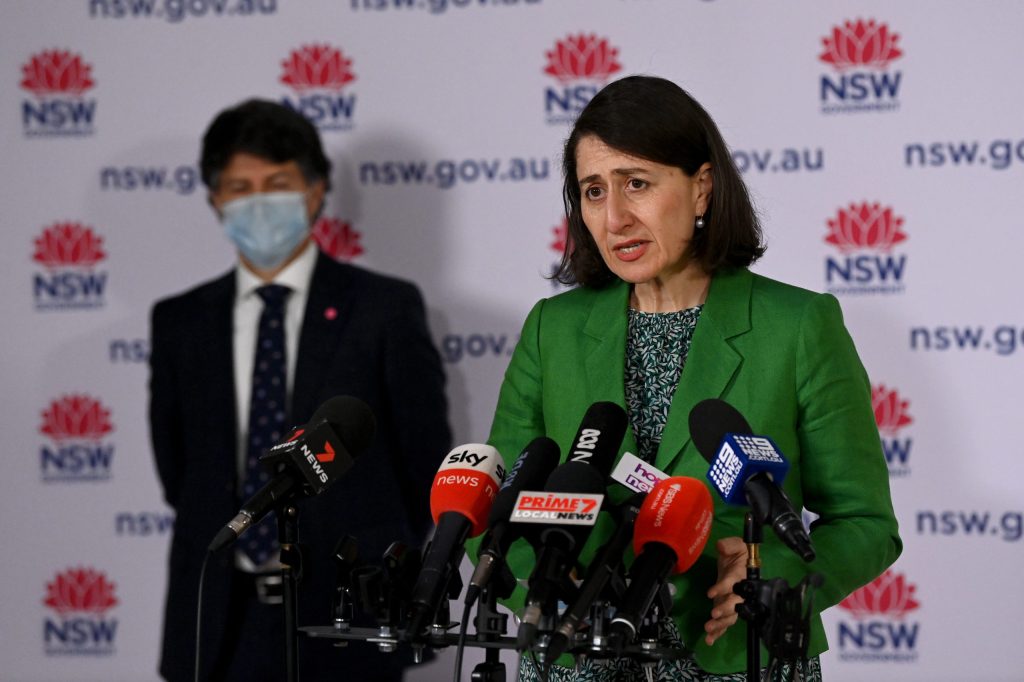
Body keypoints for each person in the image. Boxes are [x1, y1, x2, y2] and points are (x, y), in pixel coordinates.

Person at [487, 76, 901, 680]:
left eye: (637, 184)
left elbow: (867, 524)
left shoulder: (799, 325)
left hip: (737, 654)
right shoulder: (554, 327)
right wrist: (544, 581)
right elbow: (496, 505)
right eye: (593, 191)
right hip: (576, 660)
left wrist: (774, 577)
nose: (615, 217)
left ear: (702, 188)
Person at [148, 99, 452, 682]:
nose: (258, 201)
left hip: (347, 618)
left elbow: (424, 460)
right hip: (215, 625)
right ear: (215, 200)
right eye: (239, 186)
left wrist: (370, 559)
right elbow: (178, 468)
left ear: (315, 192)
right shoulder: (179, 321)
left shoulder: (384, 309)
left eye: (277, 182)